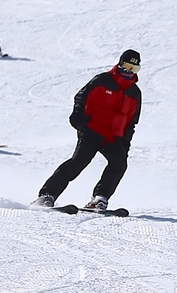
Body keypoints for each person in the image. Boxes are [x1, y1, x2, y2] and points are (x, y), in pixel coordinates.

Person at [32, 49, 142, 210]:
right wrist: (78, 117)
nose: (129, 72)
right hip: (92, 130)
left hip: (112, 137)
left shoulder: (135, 93)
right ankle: (47, 195)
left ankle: (99, 198)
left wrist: (125, 145)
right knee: (78, 162)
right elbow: (81, 96)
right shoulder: (104, 80)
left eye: (134, 69)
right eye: (126, 67)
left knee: (119, 163)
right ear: (119, 64)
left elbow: (131, 122)